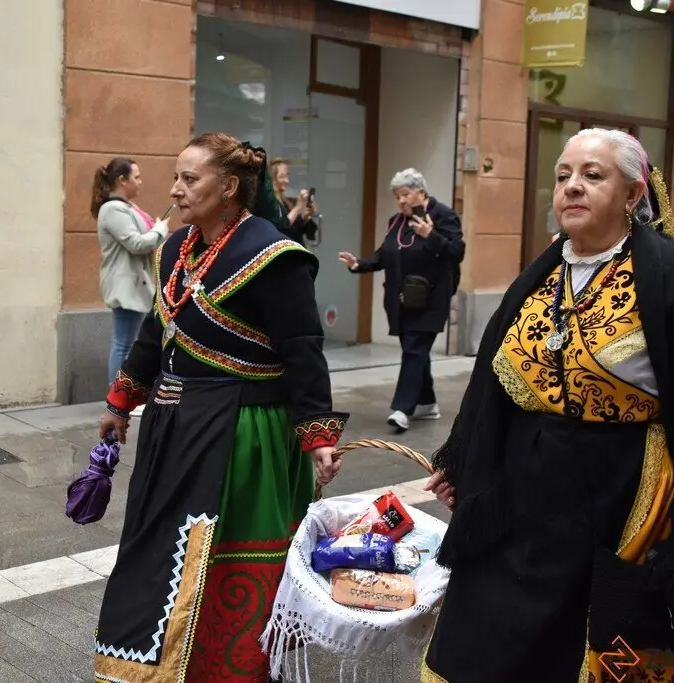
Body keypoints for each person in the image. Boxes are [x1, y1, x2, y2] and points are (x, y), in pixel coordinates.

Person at [420, 130, 674, 682]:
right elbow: (491, 389)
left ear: (633, 194)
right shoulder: (540, 276)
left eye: (593, 175)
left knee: (595, 642)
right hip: (524, 492)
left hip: (617, 496)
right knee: (489, 639)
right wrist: (467, 462)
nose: (572, 186)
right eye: (563, 175)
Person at [93, 132, 348, 683]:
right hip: (173, 428)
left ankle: (229, 670)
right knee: (160, 551)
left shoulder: (273, 257)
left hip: (242, 435)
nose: (174, 190)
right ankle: (158, 666)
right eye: (176, 177)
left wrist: (318, 435)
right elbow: (155, 332)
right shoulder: (175, 250)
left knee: (226, 556)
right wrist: (121, 400)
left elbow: (303, 350)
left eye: (189, 179)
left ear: (229, 186)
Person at [338, 168, 464, 433]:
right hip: (403, 300)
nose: (401, 201)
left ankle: (402, 409)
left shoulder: (443, 215)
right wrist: (359, 264)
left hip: (431, 299)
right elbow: (384, 255)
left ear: (421, 192)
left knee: (414, 349)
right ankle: (427, 403)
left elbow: (456, 251)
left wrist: (431, 236)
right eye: (397, 196)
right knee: (415, 351)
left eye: (405, 195)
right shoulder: (396, 221)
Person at [92, 157, 170, 406]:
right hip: (126, 288)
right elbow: (137, 243)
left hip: (136, 286)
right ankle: (118, 399)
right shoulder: (113, 209)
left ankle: (125, 397)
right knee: (123, 345)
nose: (140, 182)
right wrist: (160, 230)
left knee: (129, 344)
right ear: (121, 180)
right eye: (136, 177)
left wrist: (155, 230)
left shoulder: (127, 207)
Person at [269, 158, 318, 246]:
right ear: (272, 179)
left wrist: (305, 216)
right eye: (282, 176)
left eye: (287, 176)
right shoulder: (270, 203)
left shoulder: (285, 202)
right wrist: (298, 207)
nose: (287, 180)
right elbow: (283, 226)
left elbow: (295, 227)